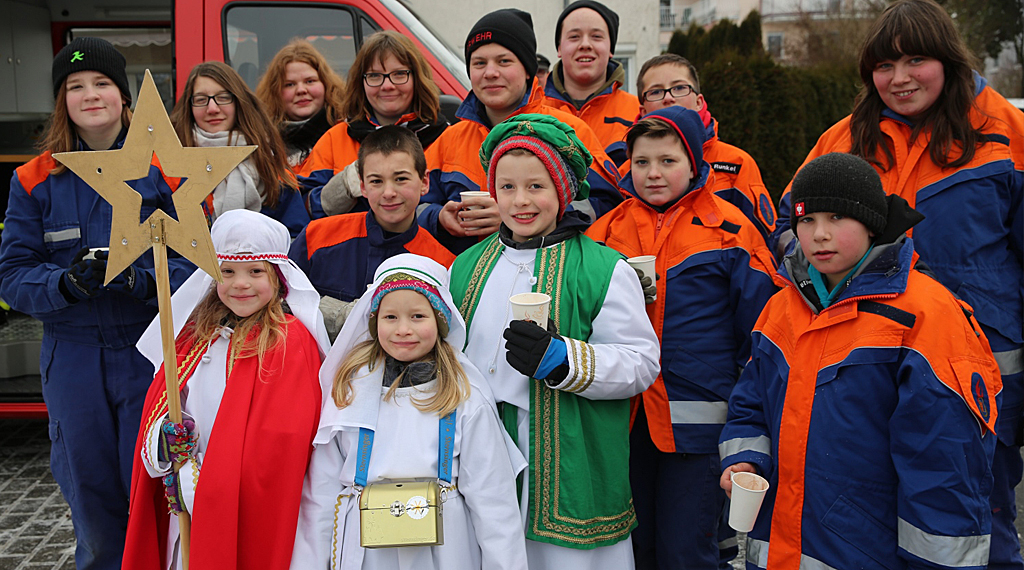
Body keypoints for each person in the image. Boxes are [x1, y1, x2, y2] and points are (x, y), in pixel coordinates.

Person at [769, 2, 1024, 566]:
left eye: (915, 61)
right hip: (858, 368)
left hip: (975, 374)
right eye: (884, 66)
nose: (900, 78)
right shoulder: (843, 137)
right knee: (869, 519)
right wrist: (815, 277)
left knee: (976, 523)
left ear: (948, 60)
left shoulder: (1006, 132)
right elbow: (788, 224)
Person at [720, 152, 1002, 569]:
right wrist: (745, 459)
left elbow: (943, 462)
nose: (819, 234)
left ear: (871, 223)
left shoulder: (925, 314)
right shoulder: (780, 308)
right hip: (780, 547)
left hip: (869, 548)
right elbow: (750, 403)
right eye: (806, 219)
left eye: (837, 217)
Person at [0, 37, 194, 570]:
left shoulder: (167, 172)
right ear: (61, 100)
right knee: (92, 501)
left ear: (124, 95)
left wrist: (142, 282)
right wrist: (64, 285)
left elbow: (197, 264)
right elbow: (12, 275)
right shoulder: (34, 180)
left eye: (102, 83)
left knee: (155, 493)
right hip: (73, 358)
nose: (90, 95)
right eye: (75, 86)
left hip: (147, 352)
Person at [449, 113, 661, 569]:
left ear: (563, 191)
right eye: (507, 187)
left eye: (536, 186)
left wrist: (564, 360)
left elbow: (642, 362)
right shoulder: (464, 267)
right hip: (484, 455)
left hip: (570, 460)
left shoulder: (604, 269)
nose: (520, 201)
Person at [586, 106, 777, 570]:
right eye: (642, 162)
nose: (653, 173)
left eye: (667, 161)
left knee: (687, 551)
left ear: (694, 164)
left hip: (699, 430)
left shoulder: (731, 230)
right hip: (622, 424)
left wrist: (745, 410)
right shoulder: (605, 231)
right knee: (631, 549)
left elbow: (761, 329)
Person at [289, 253, 528, 570]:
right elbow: (320, 494)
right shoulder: (349, 390)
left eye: (417, 316)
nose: (403, 329)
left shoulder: (464, 396)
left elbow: (493, 501)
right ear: (374, 322)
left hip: (445, 549)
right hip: (366, 550)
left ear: (439, 321)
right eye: (390, 317)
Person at [122, 210, 329, 570]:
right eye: (228, 272)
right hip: (187, 507)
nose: (240, 284)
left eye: (255, 272)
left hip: (247, 507)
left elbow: (282, 444)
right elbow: (166, 406)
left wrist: (203, 484)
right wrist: (163, 442)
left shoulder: (289, 342)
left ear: (277, 276)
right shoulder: (194, 337)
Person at [421, 9, 624, 254]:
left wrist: (518, 216)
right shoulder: (450, 139)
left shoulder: (568, 131)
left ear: (528, 70)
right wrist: (438, 218)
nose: (490, 72)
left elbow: (606, 206)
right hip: (468, 273)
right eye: (479, 63)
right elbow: (411, 204)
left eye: (504, 61)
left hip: (552, 271)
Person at [288, 126, 455, 341]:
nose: (388, 193)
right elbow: (282, 301)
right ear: (363, 186)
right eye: (376, 181)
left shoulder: (441, 264)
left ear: (424, 182)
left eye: (401, 179)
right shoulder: (317, 237)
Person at [630, 53, 776, 246]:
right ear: (643, 111)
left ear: (699, 102)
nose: (668, 98)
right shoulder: (629, 172)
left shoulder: (736, 163)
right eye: (656, 92)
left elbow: (760, 242)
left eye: (679, 88)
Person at [301, 31, 449, 219]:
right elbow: (303, 209)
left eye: (399, 74)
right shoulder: (335, 139)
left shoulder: (447, 138)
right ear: (360, 82)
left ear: (417, 78)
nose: (387, 85)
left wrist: (429, 215)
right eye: (374, 76)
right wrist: (344, 186)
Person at [170, 61, 307, 237]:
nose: (212, 109)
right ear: (189, 107)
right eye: (201, 100)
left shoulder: (271, 171)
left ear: (239, 102)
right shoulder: (168, 170)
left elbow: (296, 240)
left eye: (223, 97)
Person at [542, 0, 639, 168]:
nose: (585, 45)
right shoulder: (534, 111)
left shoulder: (638, 113)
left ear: (611, 49)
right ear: (559, 48)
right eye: (574, 37)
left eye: (596, 36)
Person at [255, 38, 346, 174]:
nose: (301, 90)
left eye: (310, 81)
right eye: (290, 84)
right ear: (275, 92)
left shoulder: (348, 133)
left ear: (326, 84)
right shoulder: (262, 145)